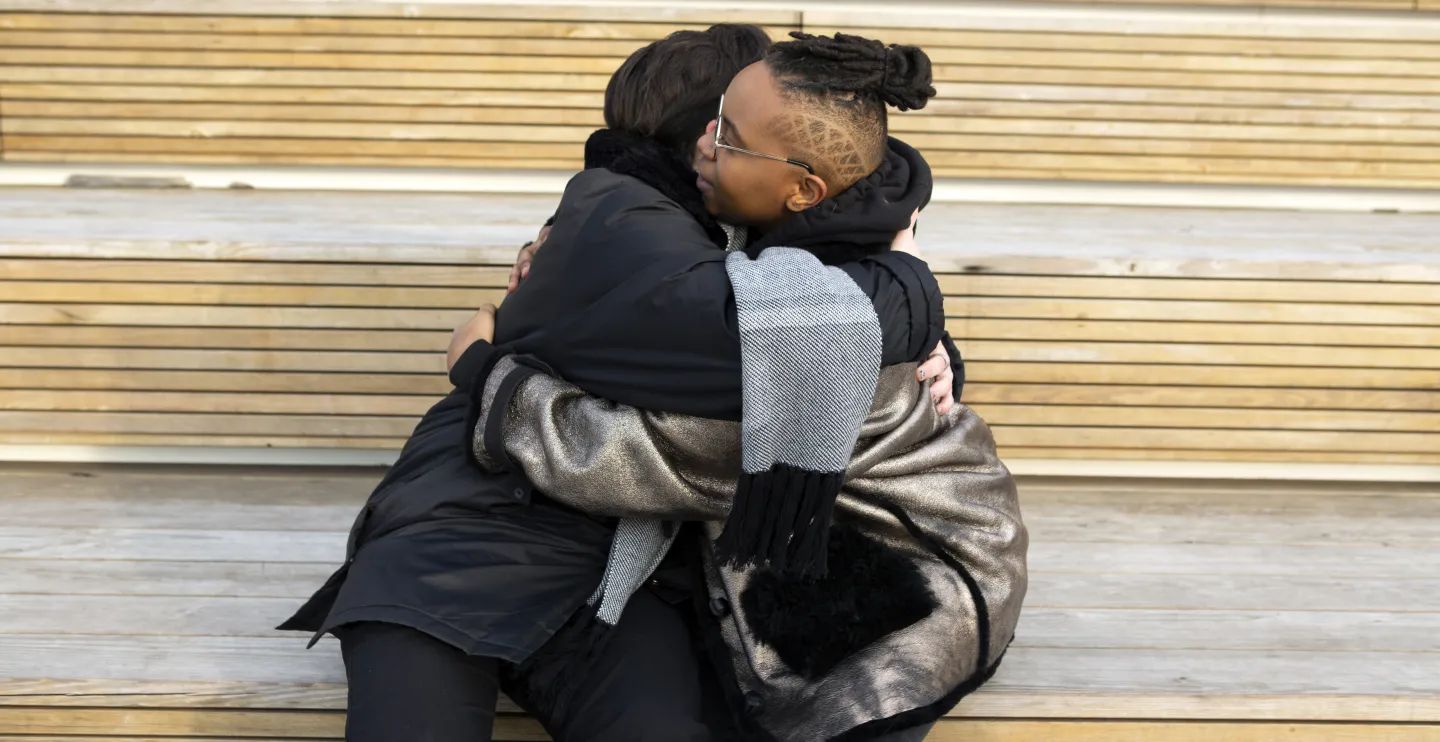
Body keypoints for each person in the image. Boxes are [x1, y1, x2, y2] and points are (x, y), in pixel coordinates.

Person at [280, 24, 956, 742]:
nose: (718, 142)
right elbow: (744, 346)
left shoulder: (750, 237)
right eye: (724, 120)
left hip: (622, 574)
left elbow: (821, 355)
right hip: (465, 542)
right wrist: (909, 284)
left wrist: (932, 345)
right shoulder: (618, 221)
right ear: (703, 128)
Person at [451, 33, 1028, 742]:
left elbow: (643, 457)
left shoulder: (818, 327)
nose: (702, 142)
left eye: (727, 135)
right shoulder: (819, 233)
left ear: (803, 189)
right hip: (812, 541)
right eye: (714, 115)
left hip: (911, 597)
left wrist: (487, 374)